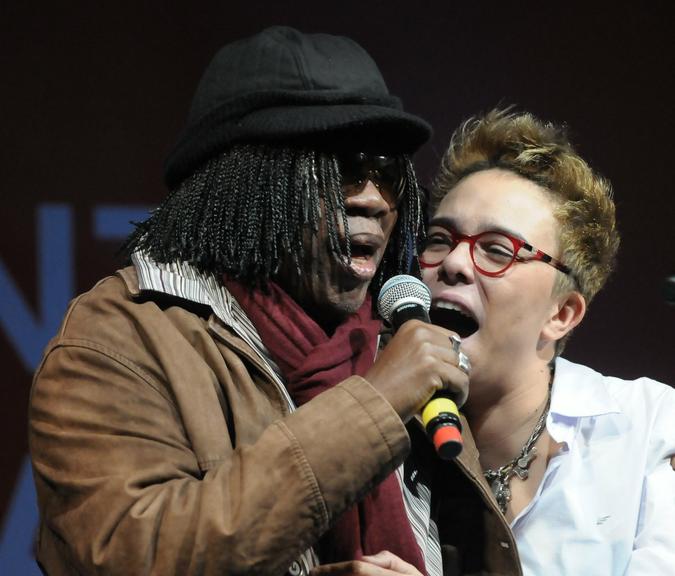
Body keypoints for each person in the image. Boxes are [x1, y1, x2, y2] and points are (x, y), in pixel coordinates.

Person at [28, 26, 478, 576]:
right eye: (342, 169)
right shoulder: (115, 340)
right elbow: (129, 555)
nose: (372, 198)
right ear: (246, 186)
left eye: (386, 171)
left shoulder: (400, 341)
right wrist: (374, 404)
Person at [420, 108, 675, 575]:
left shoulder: (649, 426)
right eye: (439, 238)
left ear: (561, 314)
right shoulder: (389, 435)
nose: (453, 262)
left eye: (496, 249)